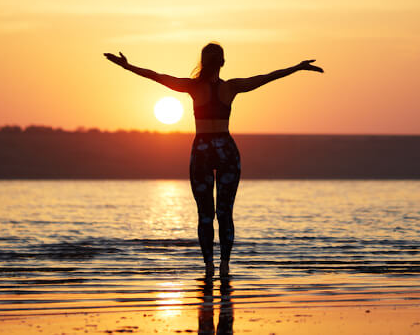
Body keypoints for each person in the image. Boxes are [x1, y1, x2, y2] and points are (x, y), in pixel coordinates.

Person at [104, 42, 323, 277]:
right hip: (226, 151)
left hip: (202, 151)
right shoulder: (230, 87)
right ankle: (224, 265)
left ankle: (209, 266)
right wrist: (297, 67)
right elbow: (267, 77)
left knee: (205, 214)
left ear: (203, 62)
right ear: (223, 62)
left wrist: (127, 67)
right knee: (225, 213)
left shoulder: (193, 87)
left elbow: (156, 77)